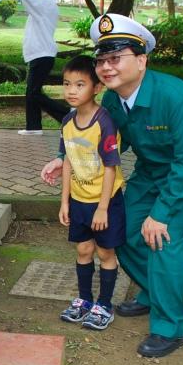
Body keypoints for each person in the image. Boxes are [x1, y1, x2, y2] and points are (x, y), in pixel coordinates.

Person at [41, 14, 183, 358]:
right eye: (101, 60)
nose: (106, 68)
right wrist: (61, 156)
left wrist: (161, 213)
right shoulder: (113, 99)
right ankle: (154, 290)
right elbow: (108, 141)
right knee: (123, 228)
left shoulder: (177, 97)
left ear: (141, 61)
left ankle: (169, 326)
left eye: (116, 59)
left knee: (163, 235)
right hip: (153, 169)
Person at [56, 55, 126, 331]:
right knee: (83, 249)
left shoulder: (104, 122)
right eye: (67, 84)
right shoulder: (67, 122)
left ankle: (104, 305)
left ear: (96, 88)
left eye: (80, 84)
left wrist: (103, 207)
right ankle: (84, 299)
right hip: (78, 201)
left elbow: (111, 167)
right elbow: (68, 162)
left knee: (105, 252)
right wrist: (65, 202)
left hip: (105, 202)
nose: (71, 90)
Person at [18, 0, 68, 135]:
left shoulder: (43, 4)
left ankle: (67, 115)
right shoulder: (45, 5)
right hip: (41, 54)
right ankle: (33, 127)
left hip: (42, 54)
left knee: (33, 93)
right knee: (32, 92)